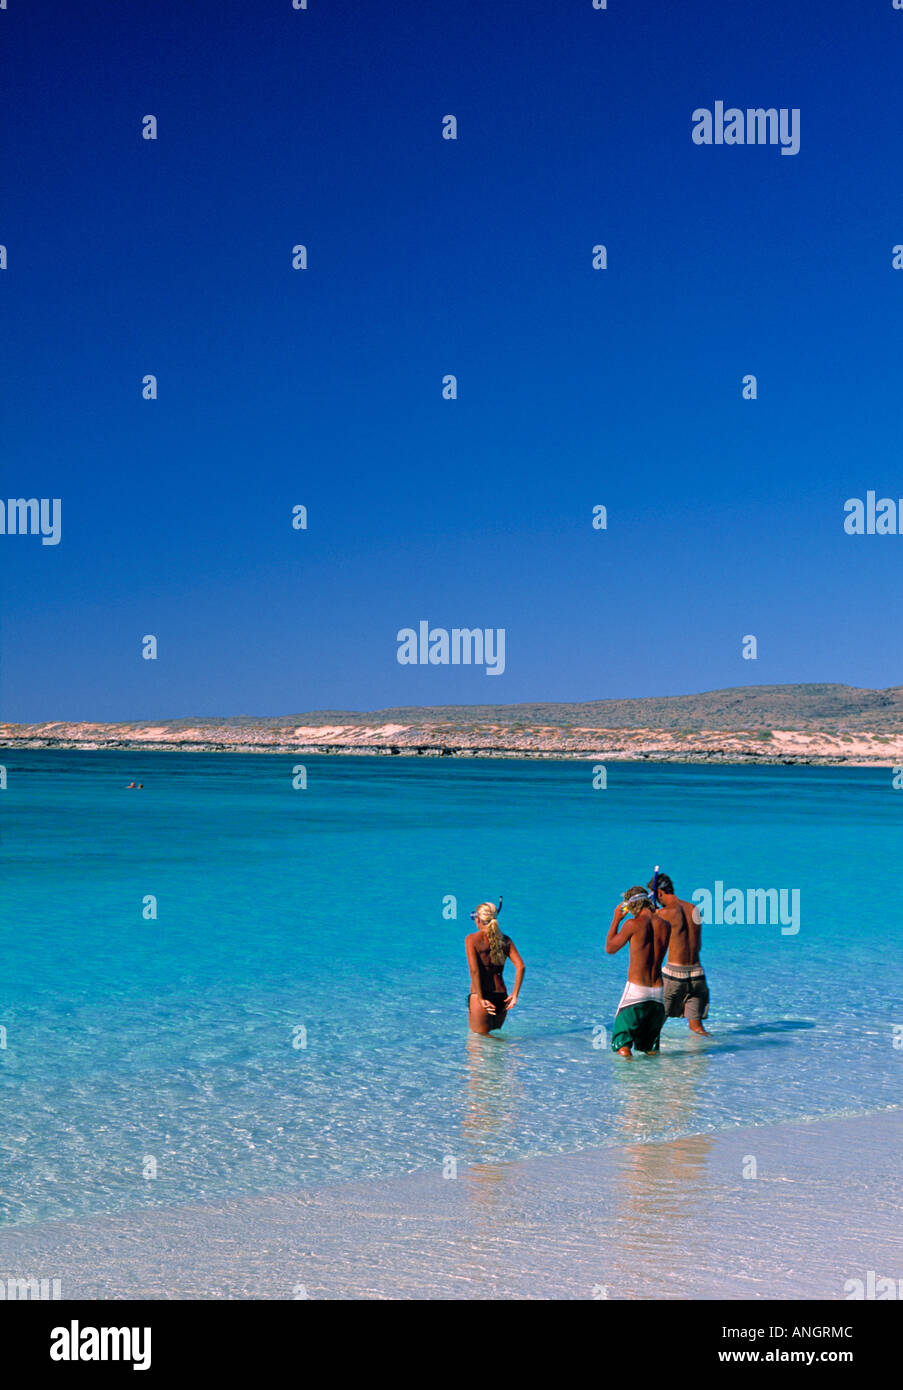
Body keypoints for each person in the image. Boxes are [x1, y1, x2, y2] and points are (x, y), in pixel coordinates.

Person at [606, 887, 670, 1057]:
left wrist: (616, 920)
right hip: (657, 994)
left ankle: (630, 1080)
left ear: (632, 905)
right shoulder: (665, 926)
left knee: (622, 1043)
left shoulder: (632, 924)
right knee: (651, 1047)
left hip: (637, 992)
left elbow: (610, 948)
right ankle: (651, 1081)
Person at [649, 871, 711, 1036]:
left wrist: (653, 914)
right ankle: (710, 1058)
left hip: (675, 976)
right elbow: (696, 943)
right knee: (697, 1028)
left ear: (659, 893)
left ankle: (646, 1060)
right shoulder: (694, 909)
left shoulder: (664, 914)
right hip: (698, 974)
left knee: (653, 1026)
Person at [465, 902, 525, 1035]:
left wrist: (480, 999)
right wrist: (514, 995)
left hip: (482, 996)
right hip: (502, 997)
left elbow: (474, 971)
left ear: (478, 919)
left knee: (478, 1043)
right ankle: (512, 1051)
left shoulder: (471, 939)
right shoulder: (505, 939)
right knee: (495, 1048)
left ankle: (516, 1048)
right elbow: (521, 966)